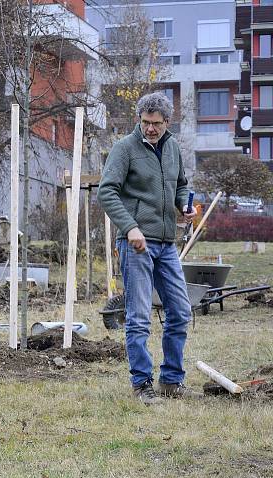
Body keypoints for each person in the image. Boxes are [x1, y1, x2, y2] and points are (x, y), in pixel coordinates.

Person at [98, 92, 199, 406]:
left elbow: (180, 184)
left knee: (180, 312)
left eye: (156, 123)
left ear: (167, 122)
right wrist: (130, 228)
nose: (150, 129)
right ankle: (141, 384)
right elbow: (107, 192)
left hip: (166, 243)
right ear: (139, 119)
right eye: (145, 122)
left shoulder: (172, 148)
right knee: (139, 317)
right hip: (136, 245)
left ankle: (171, 380)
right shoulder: (124, 148)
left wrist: (184, 205)